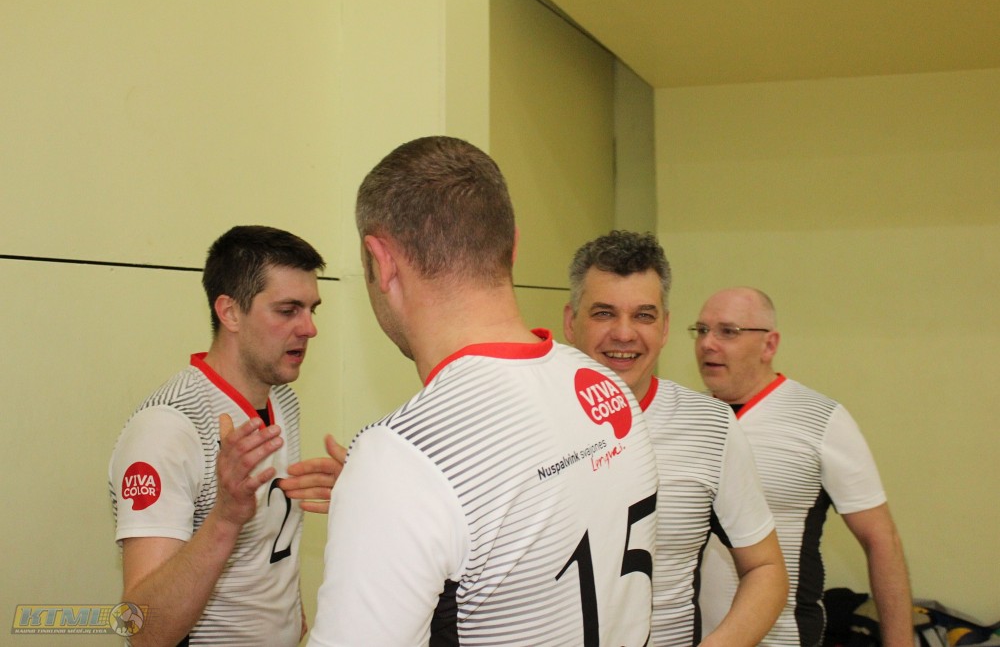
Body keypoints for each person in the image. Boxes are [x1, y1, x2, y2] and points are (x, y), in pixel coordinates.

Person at [308, 136, 659, 646]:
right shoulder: (606, 387)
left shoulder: (401, 459)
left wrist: (389, 495)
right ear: (512, 246)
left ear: (381, 261)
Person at [108, 225, 346, 646]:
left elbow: (265, 549)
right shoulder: (167, 428)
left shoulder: (282, 398)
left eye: (312, 309)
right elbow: (142, 629)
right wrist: (225, 518)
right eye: (288, 310)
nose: (309, 328)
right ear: (230, 312)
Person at [563, 230, 787, 647]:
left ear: (665, 327)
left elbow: (766, 569)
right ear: (570, 322)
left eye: (644, 316)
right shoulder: (522, 420)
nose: (624, 334)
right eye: (604, 313)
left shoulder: (712, 427)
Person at [694, 287, 913, 647]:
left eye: (728, 332)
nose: (707, 343)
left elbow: (881, 540)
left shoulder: (822, 419)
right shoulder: (689, 417)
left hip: (783, 638)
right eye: (701, 330)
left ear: (769, 344)